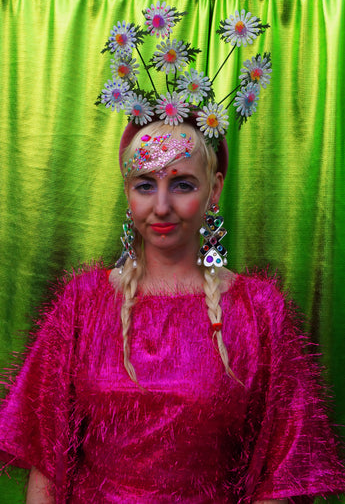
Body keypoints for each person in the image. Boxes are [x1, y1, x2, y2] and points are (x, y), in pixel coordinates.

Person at [0, 119, 345, 503]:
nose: (161, 206)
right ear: (128, 193)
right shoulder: (81, 302)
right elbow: (46, 460)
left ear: (214, 189)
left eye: (182, 185)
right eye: (145, 185)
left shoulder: (259, 309)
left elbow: (281, 470)